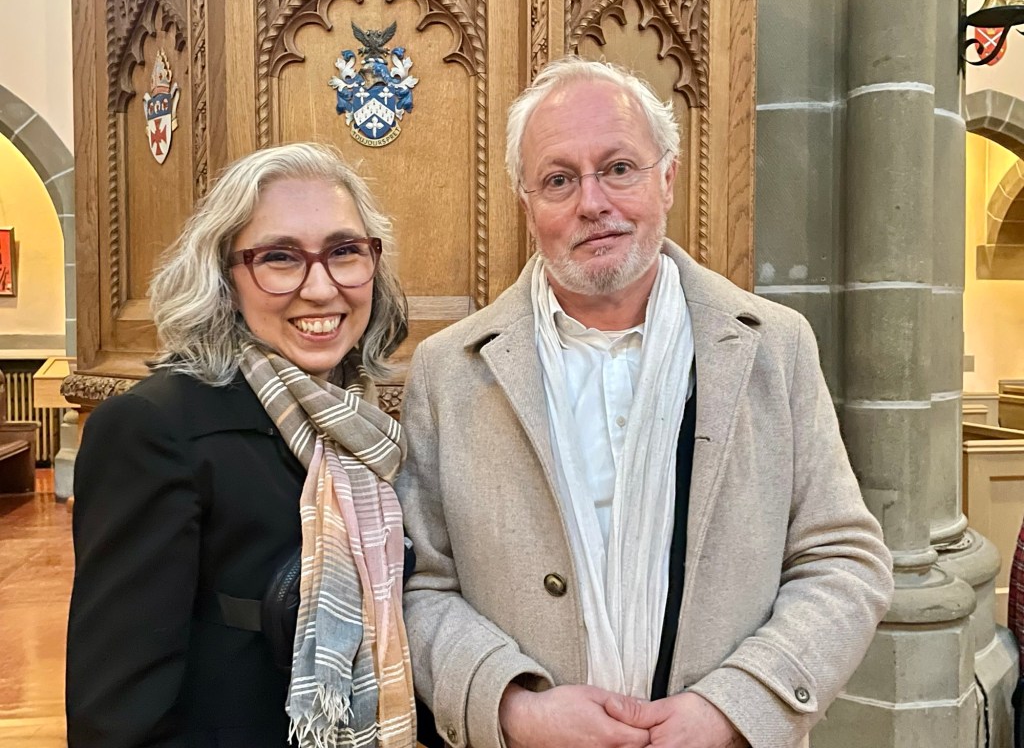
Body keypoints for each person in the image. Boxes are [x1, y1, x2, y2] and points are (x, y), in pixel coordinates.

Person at [398, 57, 895, 748]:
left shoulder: (773, 347)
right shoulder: (448, 370)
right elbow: (420, 585)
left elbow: (843, 560)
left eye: (619, 168)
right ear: (527, 203)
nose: (592, 202)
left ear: (667, 178)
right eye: (559, 179)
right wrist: (513, 708)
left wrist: (735, 709)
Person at [66, 142, 417, 748]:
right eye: (280, 258)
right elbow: (116, 721)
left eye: (344, 251)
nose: (321, 288)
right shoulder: (152, 430)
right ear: (225, 278)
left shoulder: (361, 429)